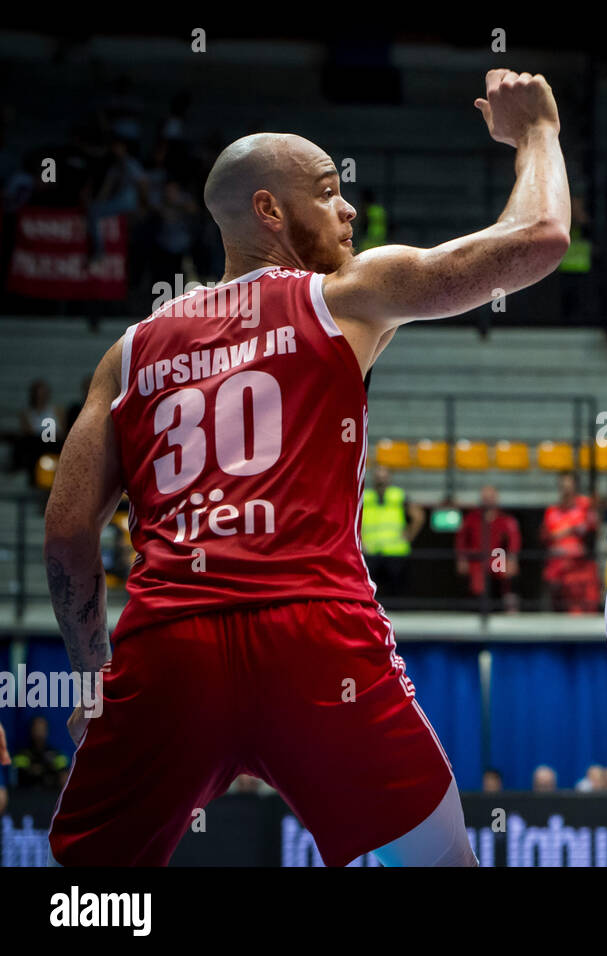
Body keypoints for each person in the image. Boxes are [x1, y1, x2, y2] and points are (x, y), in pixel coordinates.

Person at [41, 68, 570, 867]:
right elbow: (537, 241)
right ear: (269, 210)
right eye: (329, 191)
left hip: (168, 645)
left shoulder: (131, 350)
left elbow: (68, 532)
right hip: (316, 639)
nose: (350, 207)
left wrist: (91, 680)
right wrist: (536, 131)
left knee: (92, 899)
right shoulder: (341, 296)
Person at [361, 465, 425, 600]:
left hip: (395, 551)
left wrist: (409, 535)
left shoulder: (398, 496)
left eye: (383, 477)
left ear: (389, 479)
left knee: (398, 593)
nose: (381, 480)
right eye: (378, 477)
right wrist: (360, 541)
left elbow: (418, 516)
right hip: (371, 552)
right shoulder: (365, 497)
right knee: (370, 592)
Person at [455, 484, 522, 612]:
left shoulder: (505, 519)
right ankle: (477, 611)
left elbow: (514, 540)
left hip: (497, 556)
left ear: (496, 498)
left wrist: (512, 559)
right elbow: (461, 539)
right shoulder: (471, 518)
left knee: (506, 575)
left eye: (491, 497)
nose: (488, 500)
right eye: (485, 497)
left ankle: (508, 608)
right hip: (477, 558)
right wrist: (461, 558)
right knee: (477, 582)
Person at [541, 472, 601, 613]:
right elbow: (548, 536)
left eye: (569, 486)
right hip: (558, 565)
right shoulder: (551, 511)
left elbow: (590, 528)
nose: (566, 490)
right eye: (563, 487)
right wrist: (571, 529)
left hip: (580, 564)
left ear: (575, 488)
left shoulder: (584, 507)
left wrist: (564, 531)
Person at [11, 717, 70, 790]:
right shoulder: (21, 755)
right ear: (31, 730)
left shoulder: (57, 755)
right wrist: (48, 771)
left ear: (47, 731)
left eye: (42, 729)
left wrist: (36, 771)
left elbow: (64, 778)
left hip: (51, 797)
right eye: (37, 729)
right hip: (26, 797)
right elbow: (20, 778)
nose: (39, 733)